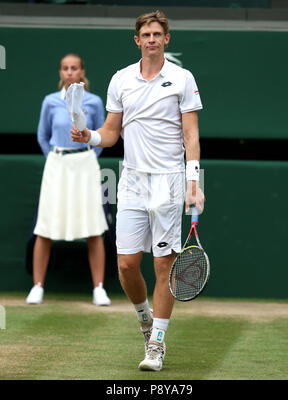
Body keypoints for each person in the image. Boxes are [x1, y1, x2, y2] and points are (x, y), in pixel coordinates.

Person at [71, 10, 205, 371]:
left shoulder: (181, 78)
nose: (150, 39)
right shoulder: (121, 80)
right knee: (127, 265)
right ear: (137, 40)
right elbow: (112, 133)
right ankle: (144, 318)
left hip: (170, 181)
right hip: (130, 180)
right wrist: (90, 136)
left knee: (164, 265)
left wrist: (195, 183)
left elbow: (191, 135)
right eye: (145, 34)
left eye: (156, 34)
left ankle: (157, 344)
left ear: (166, 39)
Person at [26, 53, 111, 307]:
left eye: (74, 68)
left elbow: (100, 135)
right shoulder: (50, 101)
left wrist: (86, 157)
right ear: (60, 72)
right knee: (45, 227)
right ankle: (37, 286)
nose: (70, 72)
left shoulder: (94, 102)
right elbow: (43, 136)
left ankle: (99, 288)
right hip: (57, 164)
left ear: (82, 71)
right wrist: (57, 158)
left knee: (94, 228)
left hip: (85, 164)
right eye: (65, 68)